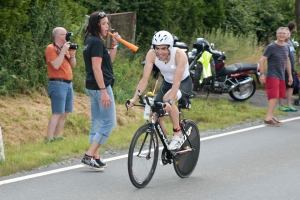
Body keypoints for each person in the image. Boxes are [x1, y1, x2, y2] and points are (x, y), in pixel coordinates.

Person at [127, 30, 193, 150]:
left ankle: (177, 133)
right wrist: (134, 98)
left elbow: (177, 82)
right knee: (157, 115)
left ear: (170, 47)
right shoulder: (151, 55)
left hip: (183, 83)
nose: (159, 52)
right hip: (167, 83)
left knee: (167, 99)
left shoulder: (179, 55)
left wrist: (170, 101)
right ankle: (168, 145)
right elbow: (144, 79)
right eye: (157, 48)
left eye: (163, 48)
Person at [81, 11, 119, 171]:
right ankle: (89, 156)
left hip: (92, 86)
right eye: (104, 24)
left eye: (107, 23)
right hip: (99, 87)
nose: (107, 26)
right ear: (97, 25)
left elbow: (107, 62)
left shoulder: (89, 40)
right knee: (110, 122)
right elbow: (97, 68)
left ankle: (95, 156)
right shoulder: (95, 42)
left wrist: (114, 44)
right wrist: (104, 90)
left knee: (97, 121)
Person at [45, 27, 76, 142]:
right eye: (65, 34)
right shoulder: (50, 48)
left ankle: (57, 137)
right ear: (60, 36)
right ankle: (49, 138)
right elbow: (56, 65)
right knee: (57, 112)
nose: (67, 36)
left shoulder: (65, 49)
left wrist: (72, 54)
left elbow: (73, 65)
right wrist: (63, 52)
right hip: (57, 83)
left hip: (68, 83)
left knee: (65, 112)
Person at [259, 27, 293, 126]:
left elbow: (287, 61)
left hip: (281, 75)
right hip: (272, 75)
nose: (282, 35)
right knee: (273, 97)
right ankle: (268, 119)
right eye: (280, 33)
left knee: (277, 96)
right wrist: (262, 74)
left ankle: (271, 117)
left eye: (284, 33)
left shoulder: (286, 46)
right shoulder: (271, 46)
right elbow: (262, 60)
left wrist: (290, 76)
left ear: (287, 35)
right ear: (276, 34)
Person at [278, 23, 298, 112]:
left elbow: (292, 54)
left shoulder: (290, 43)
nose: (286, 35)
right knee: (283, 86)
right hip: (283, 67)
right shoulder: (281, 44)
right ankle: (281, 104)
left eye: (287, 33)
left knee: (291, 85)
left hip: (291, 67)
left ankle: (289, 104)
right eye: (283, 33)